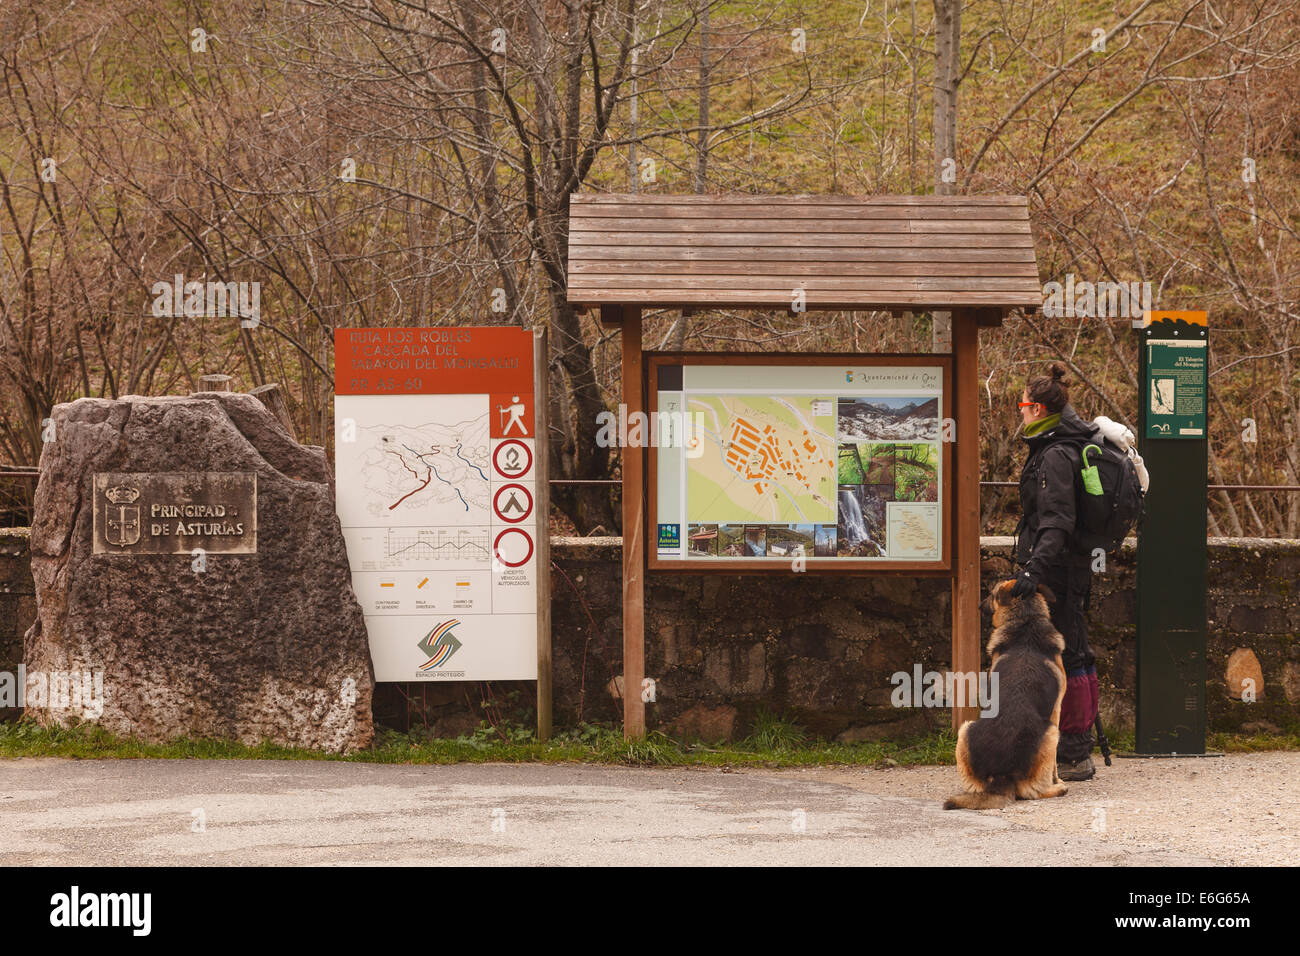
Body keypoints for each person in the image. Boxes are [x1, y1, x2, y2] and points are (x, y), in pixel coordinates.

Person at [1012, 362, 1100, 781]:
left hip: (1061, 573)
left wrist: (1035, 570)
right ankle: (1056, 746)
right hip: (1061, 568)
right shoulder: (1052, 446)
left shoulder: (1057, 454)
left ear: (1040, 409)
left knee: (1072, 654)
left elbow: (1057, 521)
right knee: (1064, 652)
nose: (1020, 412)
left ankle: (1076, 754)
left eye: (1023, 405)